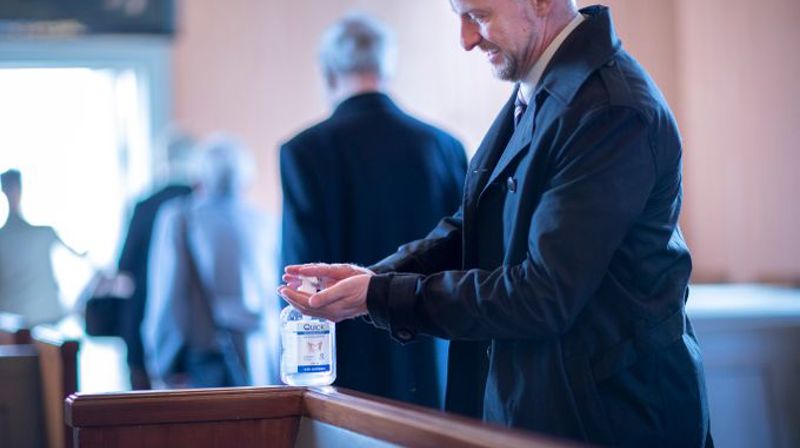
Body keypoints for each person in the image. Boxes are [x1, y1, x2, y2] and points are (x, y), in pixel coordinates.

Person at [280, 1, 712, 446]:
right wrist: (375, 279)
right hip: (549, 404)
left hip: (612, 418)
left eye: (480, 16)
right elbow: (475, 229)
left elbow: (544, 294)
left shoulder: (608, 109)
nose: (466, 40)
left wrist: (381, 295)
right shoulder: (542, 88)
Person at [280, 13, 467, 408]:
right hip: (430, 354)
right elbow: (464, 256)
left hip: (344, 361)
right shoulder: (444, 147)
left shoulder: (305, 151)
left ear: (328, 72)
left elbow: (301, 275)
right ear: (387, 67)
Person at [143, 134, 276, 388]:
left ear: (200, 174)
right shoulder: (265, 221)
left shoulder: (180, 217)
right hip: (261, 362)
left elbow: (169, 296)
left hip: (202, 362)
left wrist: (162, 361)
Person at [116, 131, 196, 390]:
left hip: (143, 318)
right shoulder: (200, 205)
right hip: (195, 330)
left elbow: (124, 268)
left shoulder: (144, 205)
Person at [0, 169, 83, 325]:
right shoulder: (44, 233)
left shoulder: (45, 233)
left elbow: (81, 258)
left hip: (45, 321)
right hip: (15, 324)